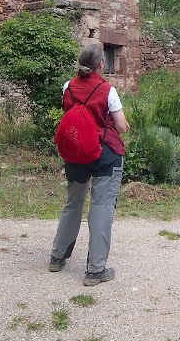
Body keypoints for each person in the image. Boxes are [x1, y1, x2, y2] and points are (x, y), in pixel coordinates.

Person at [49, 42, 130, 286]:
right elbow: (121, 125)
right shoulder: (107, 89)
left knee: (72, 204)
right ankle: (95, 270)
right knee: (102, 206)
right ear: (101, 65)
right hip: (106, 154)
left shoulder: (68, 86)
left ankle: (57, 257)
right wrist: (125, 127)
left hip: (76, 153)